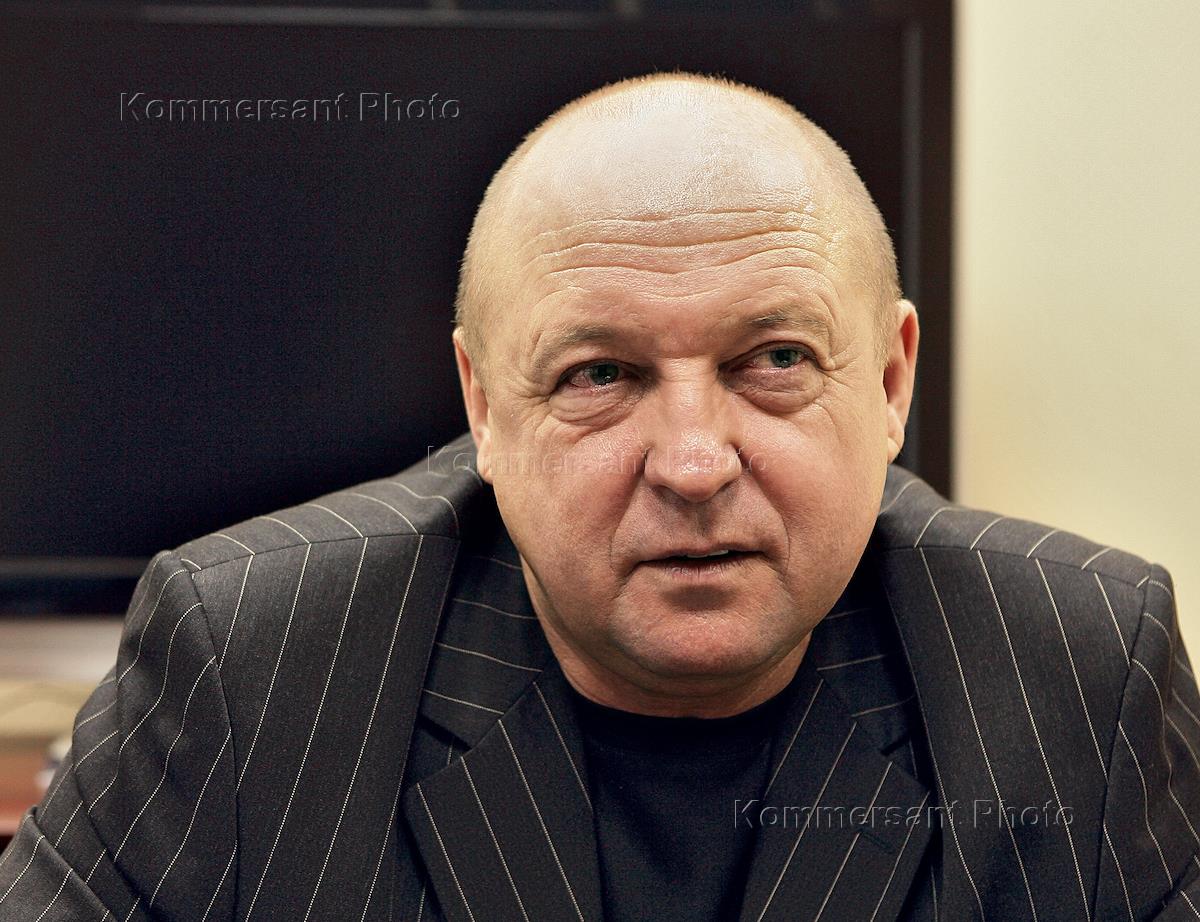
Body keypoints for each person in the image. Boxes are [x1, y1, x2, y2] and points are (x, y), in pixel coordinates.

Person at [1, 73, 1197, 922]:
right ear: (484, 406)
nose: (693, 462)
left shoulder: (1077, 672)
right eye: (602, 375)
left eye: (774, 359)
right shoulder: (255, 665)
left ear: (890, 382)